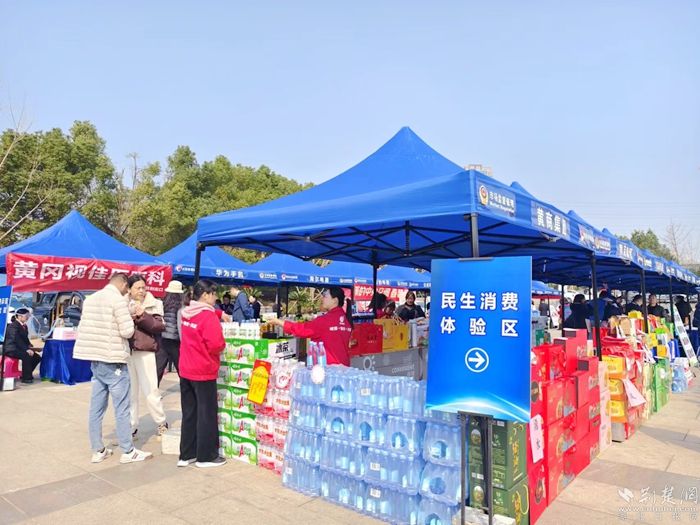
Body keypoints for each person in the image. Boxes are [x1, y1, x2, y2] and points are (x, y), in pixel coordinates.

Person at [74, 273, 152, 464]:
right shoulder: (117, 300)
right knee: (122, 408)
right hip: (114, 359)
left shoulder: (91, 299)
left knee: (96, 408)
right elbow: (127, 331)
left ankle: (97, 449)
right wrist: (132, 318)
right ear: (124, 284)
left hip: (95, 359)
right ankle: (128, 451)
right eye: (128, 287)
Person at [178, 279, 227, 468]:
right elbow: (216, 344)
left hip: (186, 368)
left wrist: (220, 314)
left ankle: (187, 454)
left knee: (189, 413)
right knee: (206, 414)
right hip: (203, 370)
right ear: (206, 295)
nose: (216, 298)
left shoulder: (186, 312)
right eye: (214, 294)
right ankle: (206, 456)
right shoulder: (207, 317)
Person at [126, 274, 168, 440]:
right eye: (138, 288)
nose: (141, 291)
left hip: (145, 351)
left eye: (144, 287)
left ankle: (161, 422)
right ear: (129, 289)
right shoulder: (122, 303)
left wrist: (142, 316)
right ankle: (131, 426)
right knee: (130, 393)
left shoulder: (154, 303)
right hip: (127, 352)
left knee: (151, 389)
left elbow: (158, 326)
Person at [270, 287, 353, 366]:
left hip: (326, 369)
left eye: (325, 296)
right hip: (344, 367)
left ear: (335, 300)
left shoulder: (325, 321)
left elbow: (302, 329)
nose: (322, 298)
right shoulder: (346, 320)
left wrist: (279, 322)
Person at [157, 280, 185, 386]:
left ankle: (153, 390)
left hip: (162, 338)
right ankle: (186, 389)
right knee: (180, 369)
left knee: (159, 367)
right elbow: (179, 325)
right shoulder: (181, 306)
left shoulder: (163, 303)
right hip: (175, 340)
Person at [3, 308, 41, 384]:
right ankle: (26, 378)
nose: (28, 317)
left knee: (37, 357)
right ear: (19, 316)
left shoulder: (24, 326)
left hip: (20, 348)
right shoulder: (13, 326)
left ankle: (25, 374)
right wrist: (26, 349)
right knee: (27, 355)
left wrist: (31, 346)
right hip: (11, 349)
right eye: (26, 316)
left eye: (28, 316)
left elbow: (25, 339)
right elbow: (17, 340)